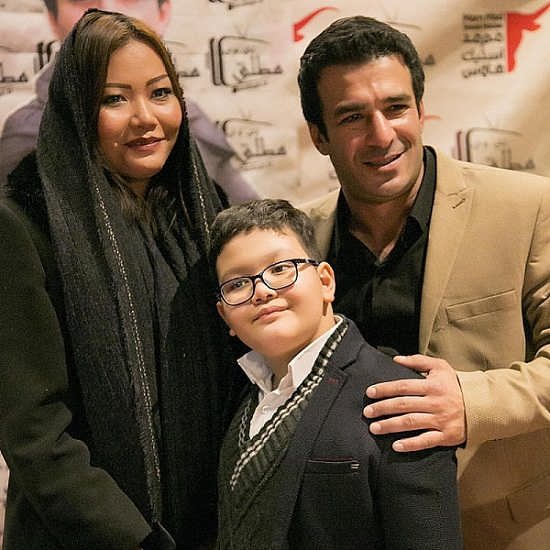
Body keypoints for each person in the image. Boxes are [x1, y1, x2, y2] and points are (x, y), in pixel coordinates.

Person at [297, 15, 550, 550]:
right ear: (319, 136)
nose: (382, 135)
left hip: (500, 530)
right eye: (352, 117)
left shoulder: (527, 207)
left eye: (395, 108)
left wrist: (470, 402)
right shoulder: (298, 241)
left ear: (420, 109)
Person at [0, 9, 242, 549]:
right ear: (76, 110)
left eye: (160, 93)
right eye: (114, 99)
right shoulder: (26, 226)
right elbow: (36, 434)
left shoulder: (202, 215)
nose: (145, 118)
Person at [209, 198, 462, 549]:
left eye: (280, 268)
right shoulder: (239, 403)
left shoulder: (399, 397)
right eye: (237, 284)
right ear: (225, 317)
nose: (262, 291)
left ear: (325, 281)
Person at [0, 0, 259, 204]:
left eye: (160, 93)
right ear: (52, 20)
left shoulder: (186, 118)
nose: (107, 10)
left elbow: (249, 225)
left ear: (164, 12)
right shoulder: (31, 135)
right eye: (113, 99)